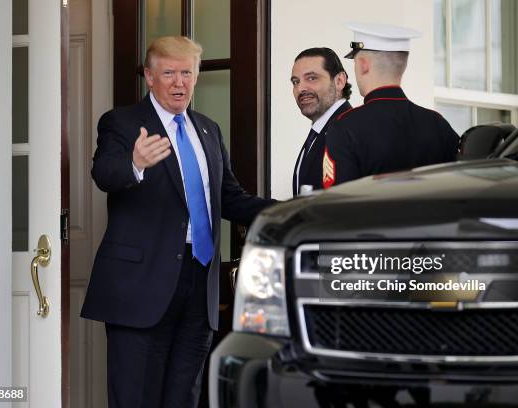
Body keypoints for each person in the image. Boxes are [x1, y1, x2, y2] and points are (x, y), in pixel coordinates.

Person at [80, 36, 274, 408]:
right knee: (136, 396)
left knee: (184, 395)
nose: (179, 82)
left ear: (196, 76)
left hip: (200, 285)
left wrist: (297, 210)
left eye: (187, 72)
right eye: (169, 73)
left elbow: (231, 199)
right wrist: (134, 164)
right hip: (141, 286)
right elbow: (104, 174)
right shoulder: (121, 122)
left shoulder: (208, 129)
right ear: (150, 77)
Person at [322, 22, 459, 188]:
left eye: (355, 62)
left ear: (364, 64)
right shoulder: (438, 124)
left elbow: (337, 203)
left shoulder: (344, 127)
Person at [290, 47, 352, 196]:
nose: (300, 88)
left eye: (312, 78)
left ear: (339, 81)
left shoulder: (349, 130)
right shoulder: (322, 131)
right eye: (295, 82)